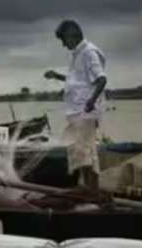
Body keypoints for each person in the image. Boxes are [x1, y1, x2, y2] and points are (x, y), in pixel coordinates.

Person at [44, 20, 107, 191]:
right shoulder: (77, 55)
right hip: (76, 114)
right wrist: (56, 76)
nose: (64, 45)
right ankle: (85, 186)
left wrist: (91, 102)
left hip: (85, 114)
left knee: (86, 153)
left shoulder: (89, 53)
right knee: (76, 150)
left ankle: (92, 191)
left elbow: (101, 80)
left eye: (64, 40)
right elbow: (78, 81)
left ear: (73, 35)